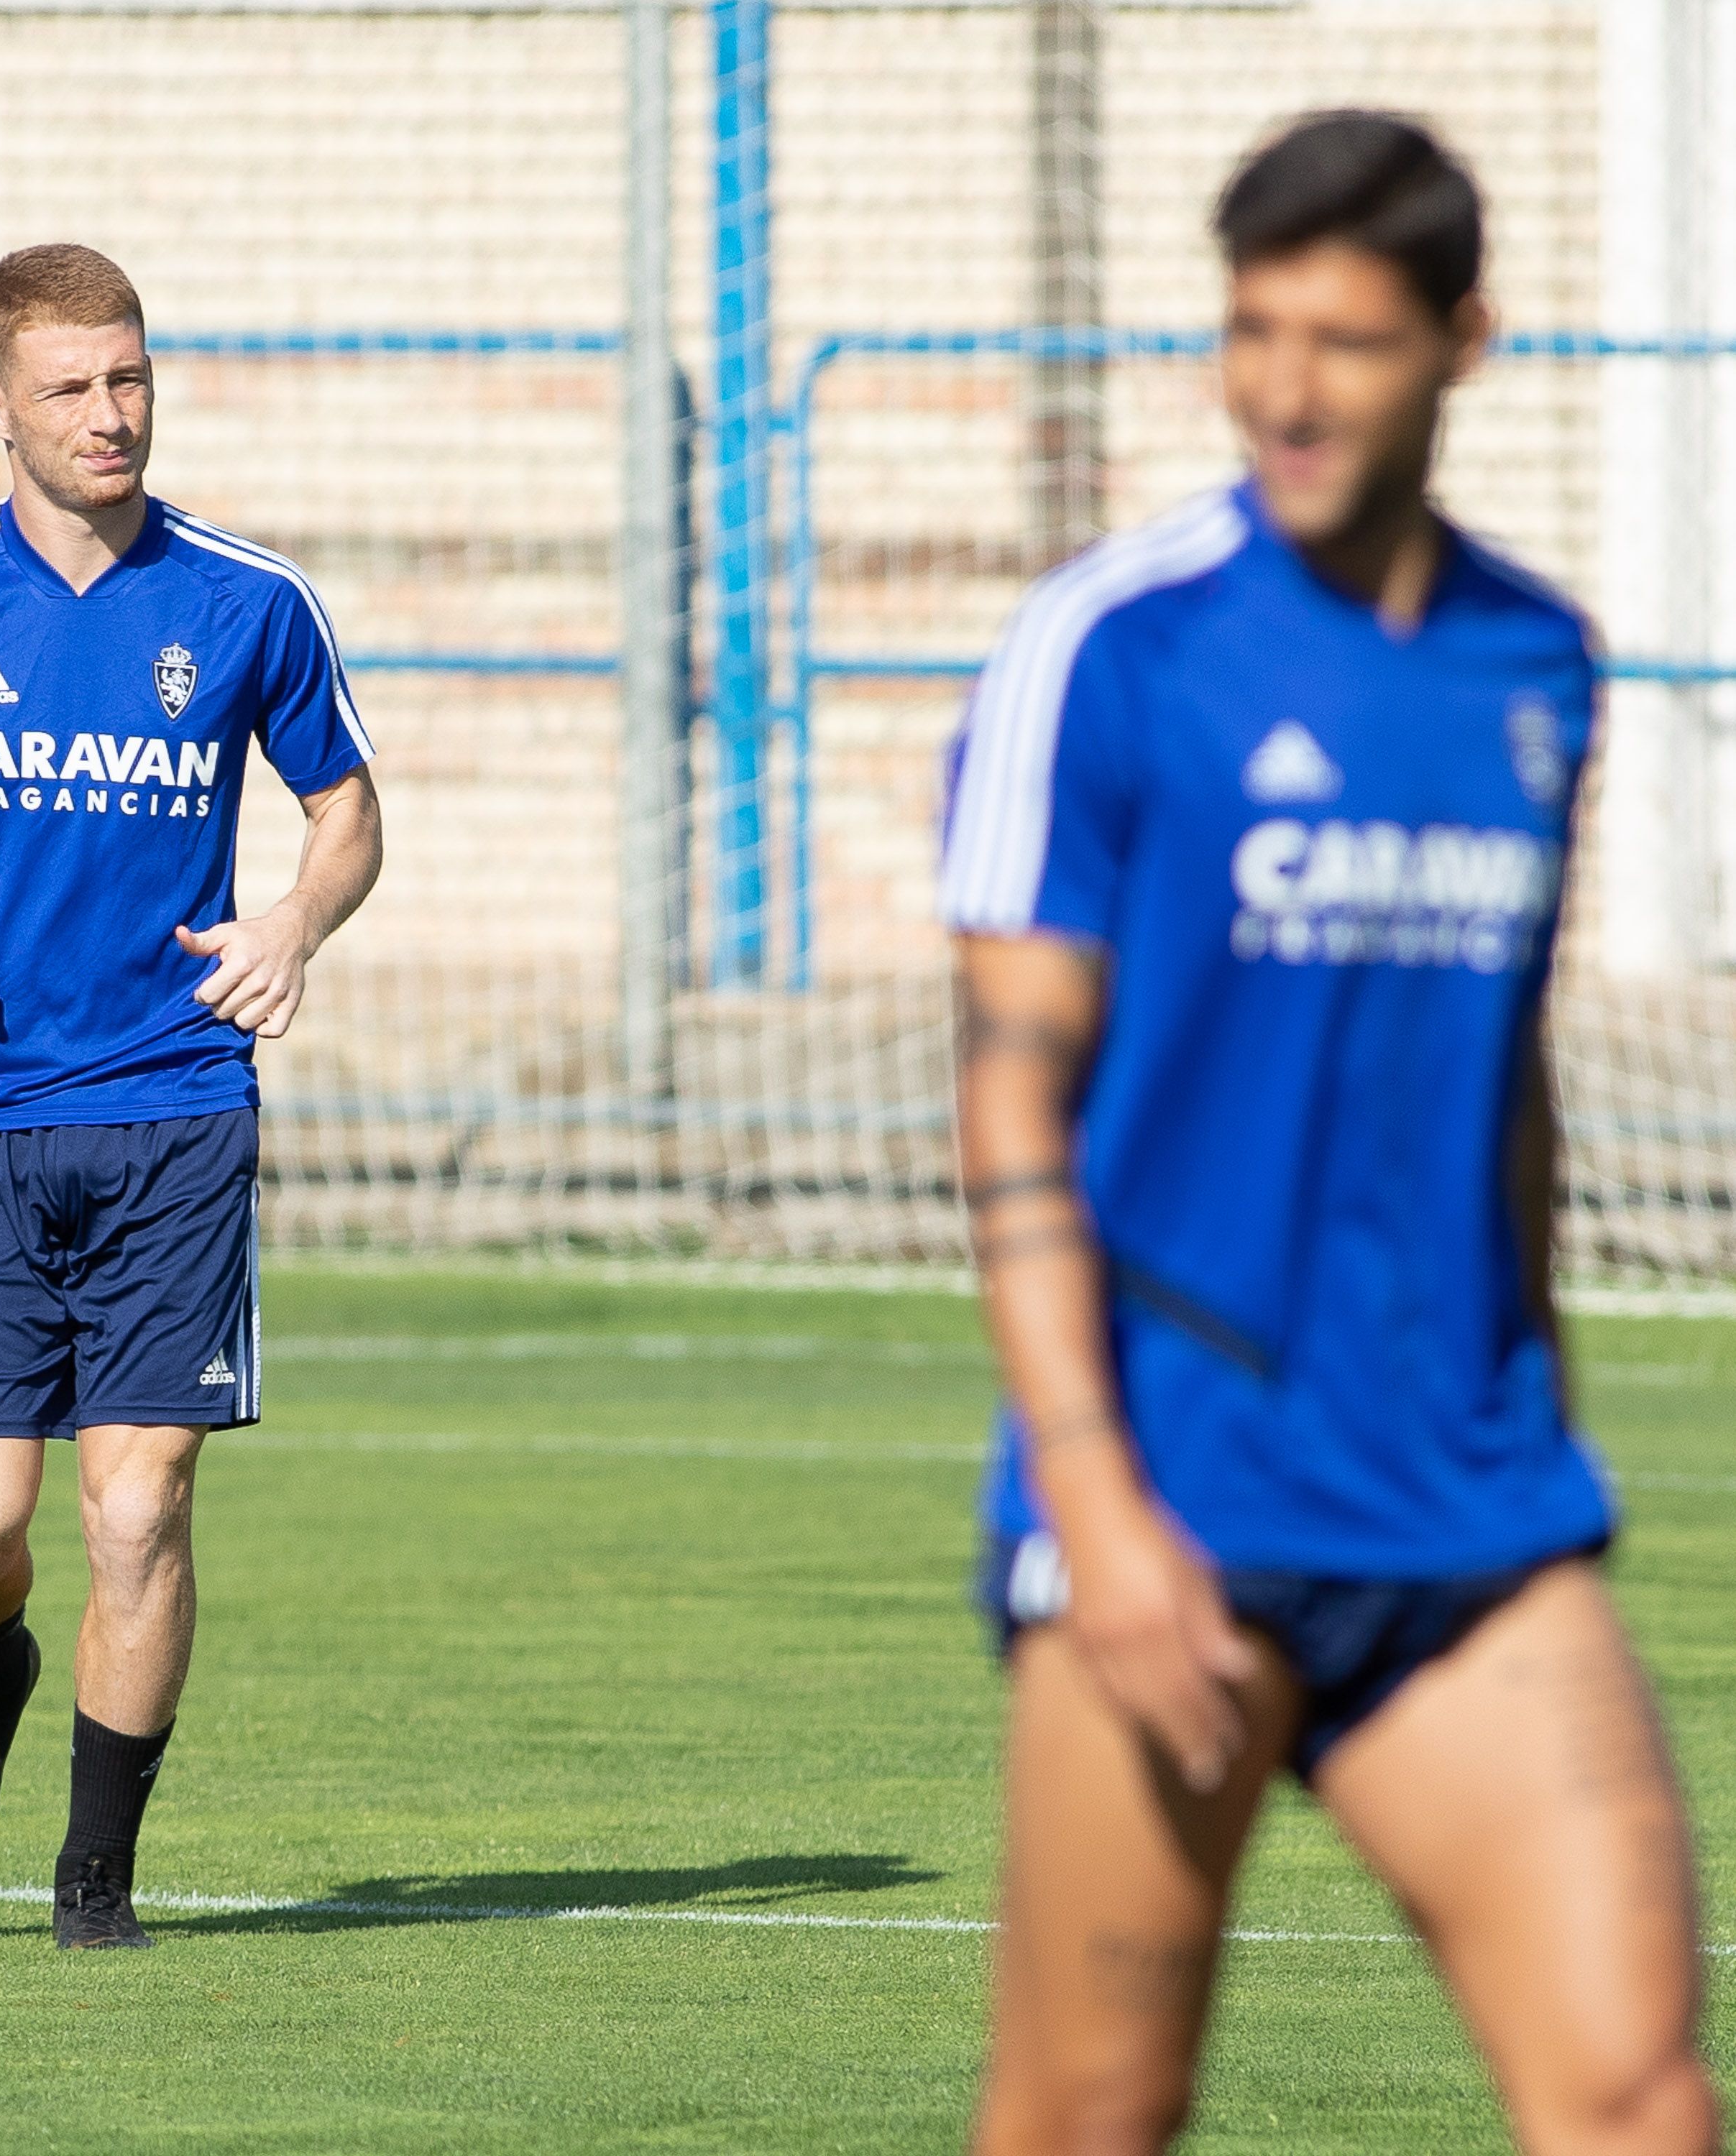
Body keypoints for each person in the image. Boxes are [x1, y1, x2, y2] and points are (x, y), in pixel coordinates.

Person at [942, 113, 1713, 2153]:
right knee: (1089, 2114)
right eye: (1253, 331)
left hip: (1463, 1514)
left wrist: (1532, 1397)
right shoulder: (1113, 646)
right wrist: (1095, 1517)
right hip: (1172, 1505)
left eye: (1348, 341)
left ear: (1464, 342)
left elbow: (1506, 1080)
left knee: (1637, 2098)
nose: (1286, 391)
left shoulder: (1533, 662)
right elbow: (1010, 1097)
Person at [0, 243, 382, 1949]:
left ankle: (94, 1889)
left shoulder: (248, 602)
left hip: (176, 1111)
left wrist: (293, 922)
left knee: (140, 1508)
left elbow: (346, 814)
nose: (109, 413)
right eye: (69, 387)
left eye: (129, 378)